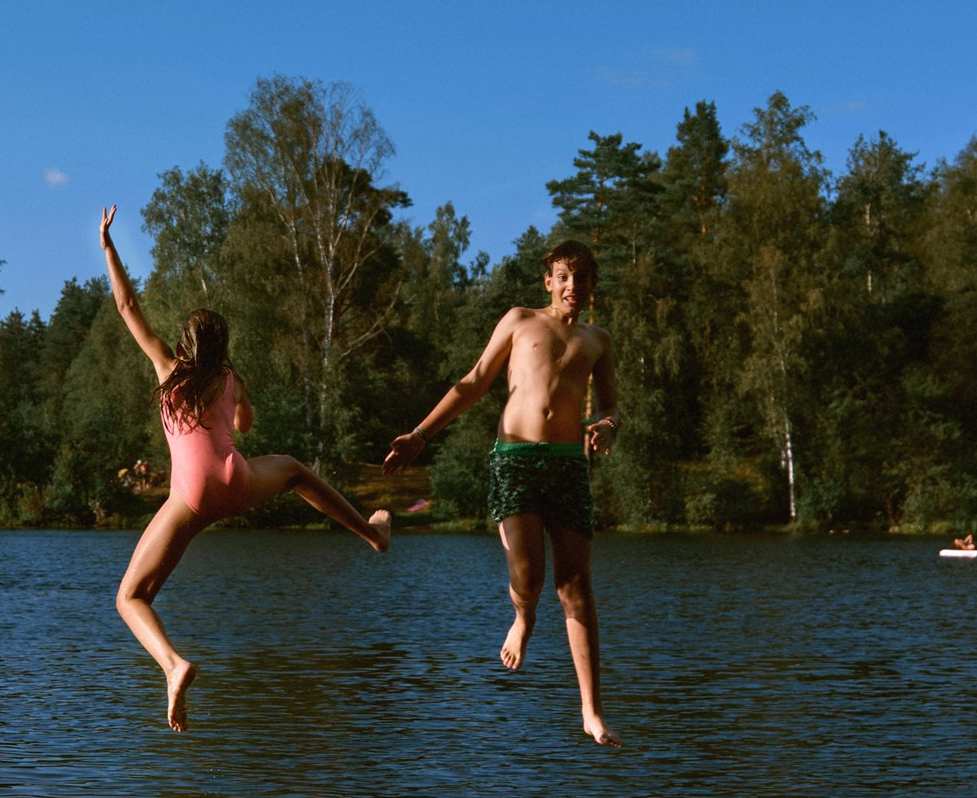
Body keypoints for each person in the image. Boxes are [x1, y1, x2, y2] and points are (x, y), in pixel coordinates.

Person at [100, 206, 391, 732]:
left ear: (185, 345)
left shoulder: (168, 371)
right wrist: (239, 399)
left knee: (130, 597)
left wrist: (107, 247)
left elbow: (126, 304)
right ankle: (371, 534)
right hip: (237, 479)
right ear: (223, 348)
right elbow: (247, 424)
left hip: (190, 497)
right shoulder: (232, 377)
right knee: (296, 470)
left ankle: (173, 664)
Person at [385, 240, 620, 746]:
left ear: (591, 286)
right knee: (528, 575)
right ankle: (523, 617)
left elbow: (612, 408)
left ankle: (591, 710)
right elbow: (472, 383)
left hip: (566, 467)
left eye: (581, 279)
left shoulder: (598, 340)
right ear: (548, 281)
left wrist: (607, 425)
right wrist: (420, 435)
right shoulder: (519, 321)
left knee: (576, 587)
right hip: (514, 460)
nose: (571, 287)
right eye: (563, 276)